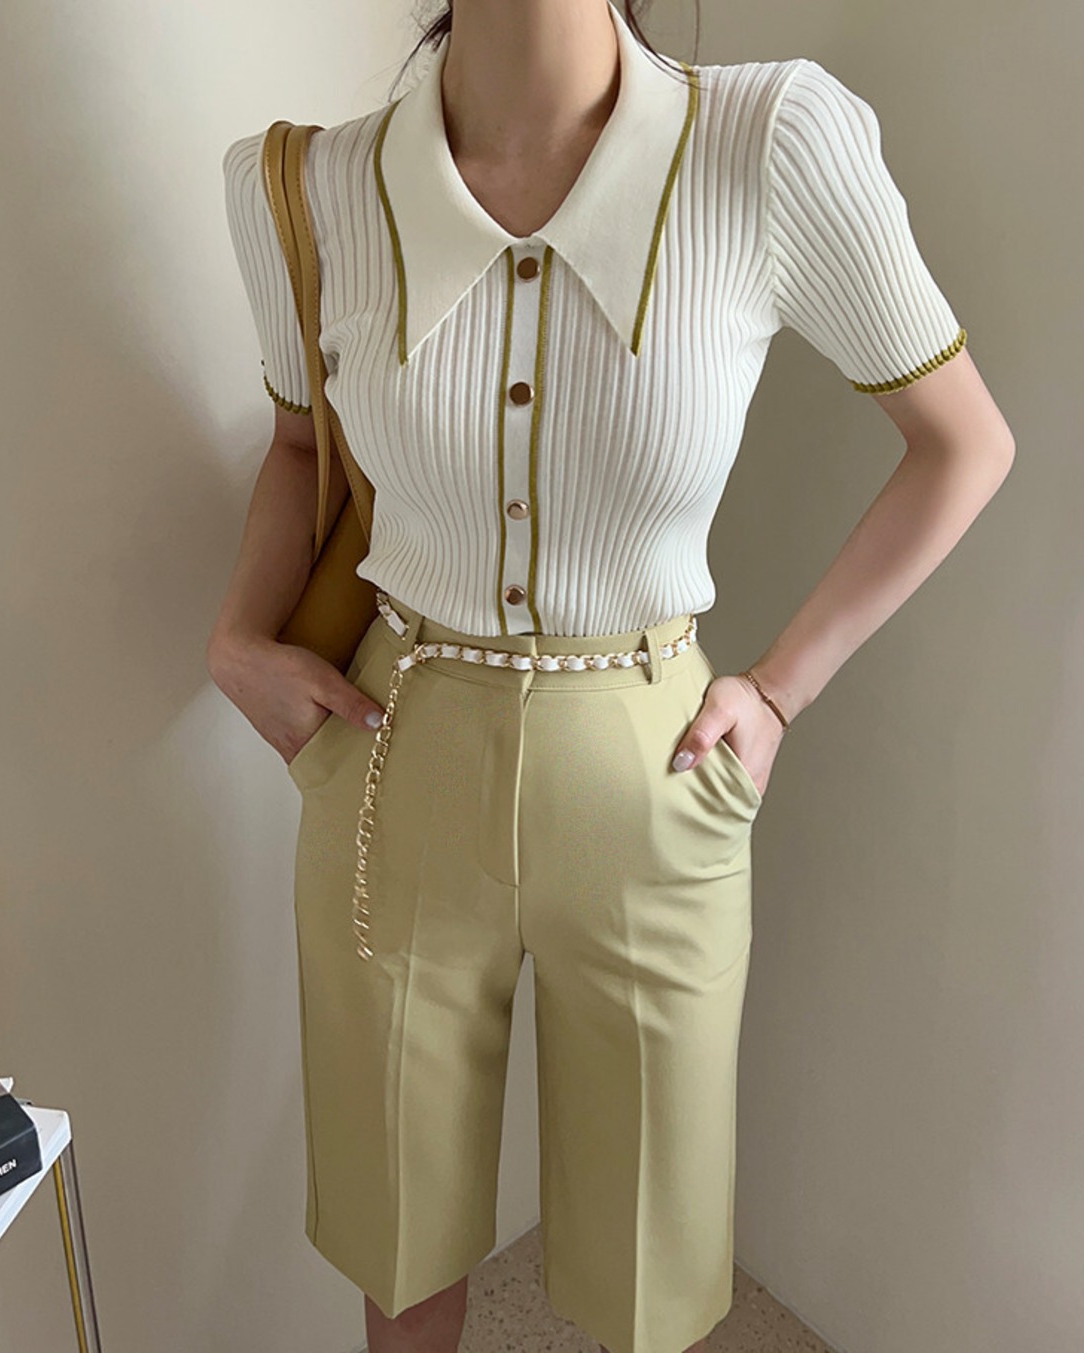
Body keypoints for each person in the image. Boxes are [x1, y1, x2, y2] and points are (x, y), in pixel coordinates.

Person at [207, 1, 1015, 1350]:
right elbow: (302, 447)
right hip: (391, 760)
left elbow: (962, 442)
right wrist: (239, 636)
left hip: (654, 771)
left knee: (653, 1266)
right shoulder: (308, 187)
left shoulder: (770, 139)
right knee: (398, 1239)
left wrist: (780, 688)